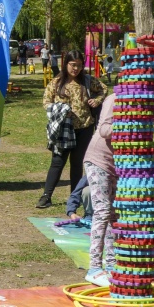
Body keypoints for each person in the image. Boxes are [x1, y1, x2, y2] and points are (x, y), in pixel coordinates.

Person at [37, 50, 107, 209]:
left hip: (85, 128)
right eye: (72, 65)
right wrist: (59, 110)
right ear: (65, 64)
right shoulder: (56, 82)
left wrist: (97, 101)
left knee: (77, 163)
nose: (76, 69)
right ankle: (46, 196)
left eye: (79, 65)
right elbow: (46, 103)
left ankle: (74, 197)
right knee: (57, 161)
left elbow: (103, 89)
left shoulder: (88, 81)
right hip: (63, 130)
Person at [83, 92, 117, 287]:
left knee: (113, 214)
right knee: (102, 210)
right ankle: (94, 268)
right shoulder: (114, 99)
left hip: (117, 165)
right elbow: (104, 129)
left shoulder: (143, 104)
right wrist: (129, 126)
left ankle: (111, 264)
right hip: (98, 160)